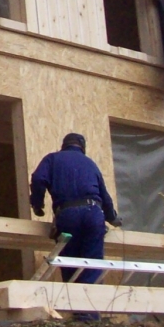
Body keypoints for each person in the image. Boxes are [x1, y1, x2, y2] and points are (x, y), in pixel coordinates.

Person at [29, 132, 121, 311]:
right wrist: (112, 218)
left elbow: (39, 179)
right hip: (94, 214)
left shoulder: (52, 159)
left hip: (68, 214)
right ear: (82, 147)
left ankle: (78, 313)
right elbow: (104, 196)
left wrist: (37, 205)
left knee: (71, 263)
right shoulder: (90, 164)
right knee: (92, 264)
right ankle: (90, 316)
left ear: (63, 146)